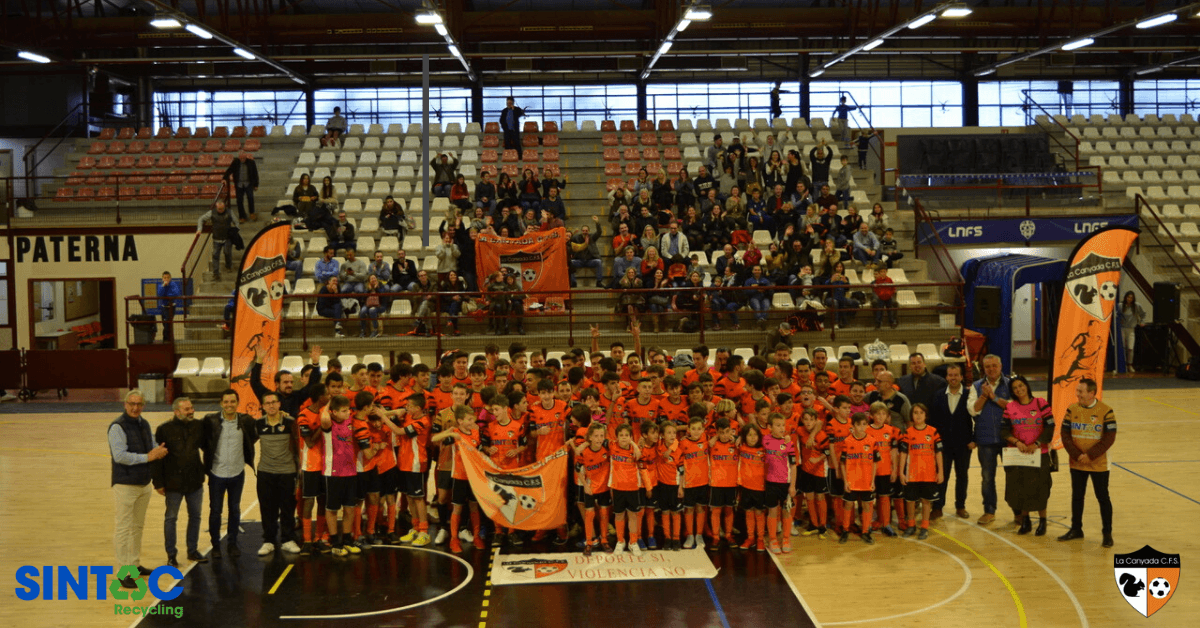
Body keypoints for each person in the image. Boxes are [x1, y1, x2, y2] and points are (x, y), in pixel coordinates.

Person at [110, 390, 169, 588]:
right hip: (125, 484)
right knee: (123, 528)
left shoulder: (144, 423)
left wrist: (159, 450)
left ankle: (134, 565)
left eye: (139, 404)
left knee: (137, 527)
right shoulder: (117, 427)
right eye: (132, 404)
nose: (135, 408)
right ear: (125, 404)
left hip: (143, 483)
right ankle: (123, 572)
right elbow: (120, 456)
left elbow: (151, 445)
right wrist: (148, 457)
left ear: (143, 405)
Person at [1059, 378, 1117, 548]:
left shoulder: (1106, 411)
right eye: (1077, 391)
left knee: (1103, 498)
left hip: (1099, 464)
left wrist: (1090, 455)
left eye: (1081, 391)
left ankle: (1107, 534)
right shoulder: (1072, 409)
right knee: (1077, 497)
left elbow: (1109, 438)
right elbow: (1065, 434)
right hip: (1077, 463)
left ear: (1091, 393)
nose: (1077, 394)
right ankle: (1076, 529)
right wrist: (1078, 455)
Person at [150, 397, 207, 569]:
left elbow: (208, 448)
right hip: (173, 483)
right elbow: (157, 458)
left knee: (195, 516)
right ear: (176, 412)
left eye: (191, 408)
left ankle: (192, 550)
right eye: (187, 409)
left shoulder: (199, 426)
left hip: (195, 481)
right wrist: (158, 483)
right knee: (171, 518)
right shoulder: (163, 429)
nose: (191, 411)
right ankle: (171, 555)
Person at [201, 389, 255, 559]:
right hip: (216, 474)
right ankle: (215, 545)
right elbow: (202, 440)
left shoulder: (246, 421)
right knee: (215, 510)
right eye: (226, 402)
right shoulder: (210, 421)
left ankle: (232, 543)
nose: (229, 405)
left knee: (234, 509)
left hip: (237, 473)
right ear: (221, 403)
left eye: (232, 401)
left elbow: (253, 437)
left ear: (237, 403)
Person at [1001, 376, 1055, 537]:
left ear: (1027, 386)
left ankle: (1043, 520)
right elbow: (1003, 430)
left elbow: (1050, 427)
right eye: (1015, 388)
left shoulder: (1040, 403)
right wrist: (1017, 442)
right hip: (1018, 455)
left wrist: (1036, 443)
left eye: (1021, 385)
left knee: (1041, 489)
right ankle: (1026, 521)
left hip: (1039, 454)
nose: (1019, 389)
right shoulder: (1010, 407)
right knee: (1021, 488)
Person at [253, 391, 302, 555]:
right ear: (263, 406)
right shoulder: (259, 423)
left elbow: (299, 446)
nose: (271, 405)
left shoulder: (290, 422)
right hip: (265, 472)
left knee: (287, 508)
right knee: (267, 509)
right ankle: (269, 540)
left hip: (287, 472)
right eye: (267, 403)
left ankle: (287, 539)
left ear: (279, 404)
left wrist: (300, 469)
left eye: (274, 402)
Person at [926, 363, 977, 520]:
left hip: (964, 444)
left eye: (956, 375)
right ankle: (937, 507)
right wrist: (934, 442)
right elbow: (933, 421)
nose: (953, 378)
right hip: (943, 445)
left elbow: (978, 418)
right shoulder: (938, 395)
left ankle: (960, 506)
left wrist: (974, 439)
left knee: (962, 476)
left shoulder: (969, 395)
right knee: (942, 476)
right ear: (946, 377)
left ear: (961, 377)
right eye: (950, 375)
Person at [319, 395, 365, 556]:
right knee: (332, 508)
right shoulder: (328, 424)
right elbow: (324, 417)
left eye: (348, 410)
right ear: (333, 412)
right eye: (344, 411)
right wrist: (330, 401)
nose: (348, 413)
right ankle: (335, 542)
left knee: (349, 507)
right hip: (333, 472)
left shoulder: (350, 421)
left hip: (350, 471)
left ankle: (347, 539)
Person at [969, 354, 1009, 525]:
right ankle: (989, 510)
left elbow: (1015, 408)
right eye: (987, 366)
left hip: (1009, 440)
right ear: (983, 369)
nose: (991, 369)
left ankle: (1018, 511)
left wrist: (993, 397)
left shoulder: (1011, 384)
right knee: (987, 478)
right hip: (985, 440)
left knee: (1013, 477)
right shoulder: (976, 386)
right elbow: (973, 410)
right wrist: (984, 396)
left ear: (1000, 366)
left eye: (994, 365)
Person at [898, 403, 943, 540]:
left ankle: (924, 526)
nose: (918, 415)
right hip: (912, 474)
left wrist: (940, 472)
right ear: (911, 415)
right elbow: (903, 453)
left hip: (928, 474)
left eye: (921, 412)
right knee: (910, 501)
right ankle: (911, 525)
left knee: (926, 501)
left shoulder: (933, 432)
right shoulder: (908, 432)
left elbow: (938, 453)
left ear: (926, 415)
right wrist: (901, 472)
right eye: (915, 412)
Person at [839, 412, 879, 544]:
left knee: (867, 505)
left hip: (866, 480)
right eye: (858, 425)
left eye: (864, 424)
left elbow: (875, 462)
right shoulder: (847, 441)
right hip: (851, 480)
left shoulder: (872, 441)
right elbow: (842, 463)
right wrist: (845, 481)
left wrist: (873, 480)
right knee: (848, 504)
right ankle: (845, 530)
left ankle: (865, 531)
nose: (862, 427)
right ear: (853, 426)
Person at [196, 200, 237, 280]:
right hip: (216, 238)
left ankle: (228, 266)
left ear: (224, 207)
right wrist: (199, 229)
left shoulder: (230, 212)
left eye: (222, 209)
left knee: (227, 252)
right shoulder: (211, 213)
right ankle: (216, 274)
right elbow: (201, 219)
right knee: (215, 255)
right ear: (216, 207)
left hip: (227, 238)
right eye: (219, 209)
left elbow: (236, 222)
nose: (220, 210)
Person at [569, 216, 605, 287]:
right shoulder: (576, 237)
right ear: (581, 231)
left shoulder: (592, 237)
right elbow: (568, 240)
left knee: (598, 262)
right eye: (583, 230)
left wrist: (597, 223)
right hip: (579, 260)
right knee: (571, 262)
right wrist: (572, 233)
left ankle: (599, 281)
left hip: (590, 260)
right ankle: (573, 282)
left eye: (586, 230)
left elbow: (599, 232)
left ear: (589, 231)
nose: (585, 232)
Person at [224, 151, 259, 222]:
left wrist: (256, 185)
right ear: (239, 157)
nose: (242, 159)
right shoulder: (235, 162)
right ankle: (242, 216)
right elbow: (229, 170)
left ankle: (252, 213)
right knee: (239, 200)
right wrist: (224, 178)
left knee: (250, 198)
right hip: (239, 184)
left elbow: (255, 173)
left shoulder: (251, 162)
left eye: (244, 158)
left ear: (246, 157)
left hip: (248, 183)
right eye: (241, 158)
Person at [1118, 291, 1146, 371]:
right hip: (1122, 328)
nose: (1129, 299)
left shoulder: (1136, 306)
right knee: (1123, 347)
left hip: (1131, 329)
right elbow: (1116, 314)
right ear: (1125, 297)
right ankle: (1123, 365)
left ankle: (1129, 364)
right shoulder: (1120, 306)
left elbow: (1143, 314)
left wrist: (1142, 322)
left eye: (1131, 298)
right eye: (1128, 297)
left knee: (1130, 348)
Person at [155, 271, 181, 343]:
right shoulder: (161, 286)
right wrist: (164, 286)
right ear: (162, 278)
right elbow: (160, 294)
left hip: (171, 307)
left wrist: (167, 295)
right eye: (165, 278)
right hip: (164, 307)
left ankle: (166, 340)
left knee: (168, 323)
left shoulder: (173, 285)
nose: (166, 279)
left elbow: (176, 293)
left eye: (168, 278)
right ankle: (169, 339)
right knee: (165, 323)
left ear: (170, 278)